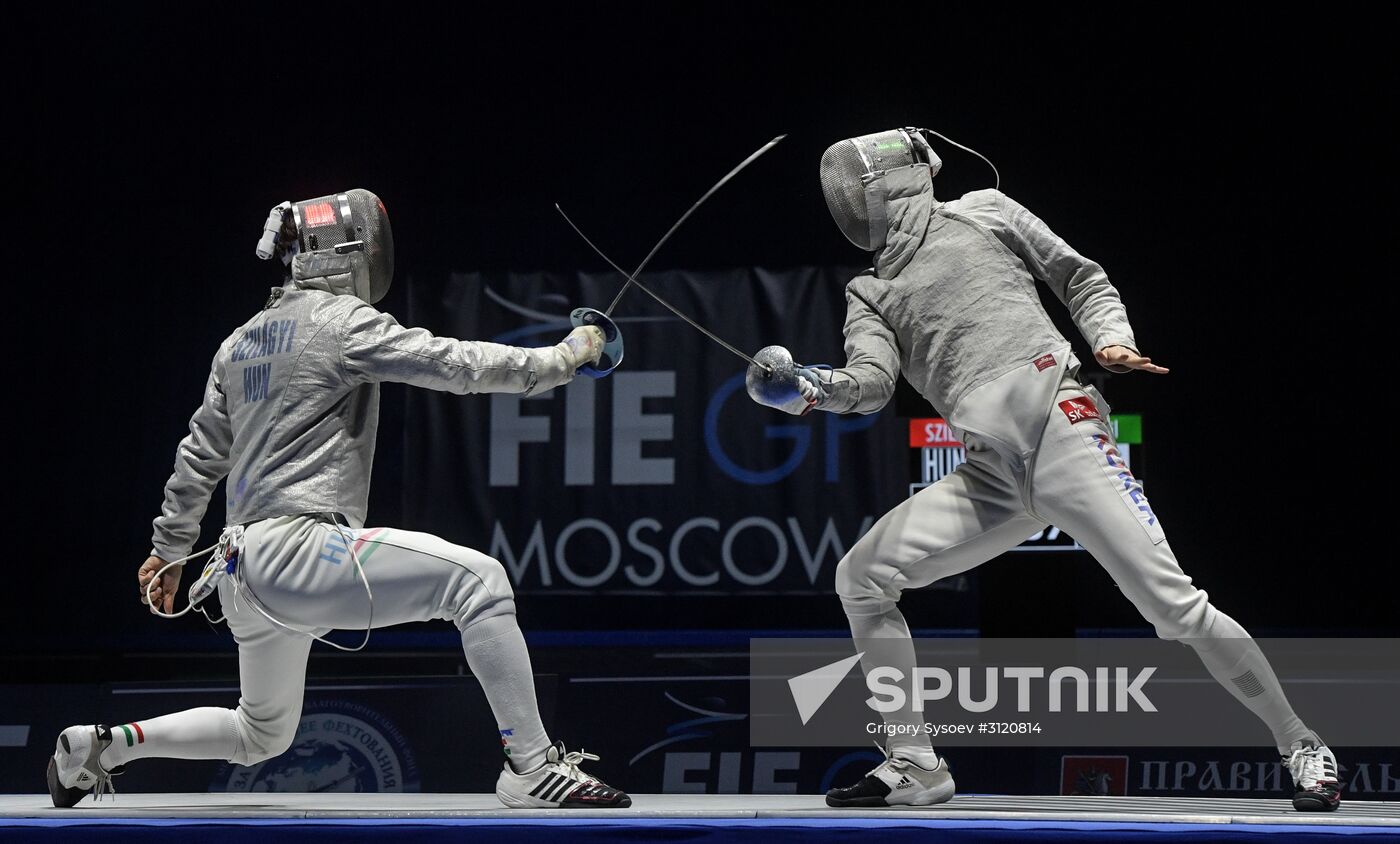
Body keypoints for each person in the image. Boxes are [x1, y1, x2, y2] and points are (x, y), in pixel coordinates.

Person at [747, 130, 1338, 812]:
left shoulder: (985, 211)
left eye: (856, 185)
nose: (849, 201)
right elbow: (873, 383)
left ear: (893, 179)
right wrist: (814, 389)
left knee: (1172, 607)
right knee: (862, 577)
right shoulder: (870, 291)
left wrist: (1112, 338)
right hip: (993, 471)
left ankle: (1302, 744)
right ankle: (915, 765)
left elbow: (1079, 275)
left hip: (1064, 429)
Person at [47, 189, 630, 809]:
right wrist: (568, 356)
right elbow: (457, 364)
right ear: (347, 252)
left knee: (261, 732)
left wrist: (168, 548)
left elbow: (199, 456)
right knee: (479, 583)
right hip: (300, 551)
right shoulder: (341, 323)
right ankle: (532, 766)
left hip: (237, 572)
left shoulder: (238, 343)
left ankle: (101, 746)